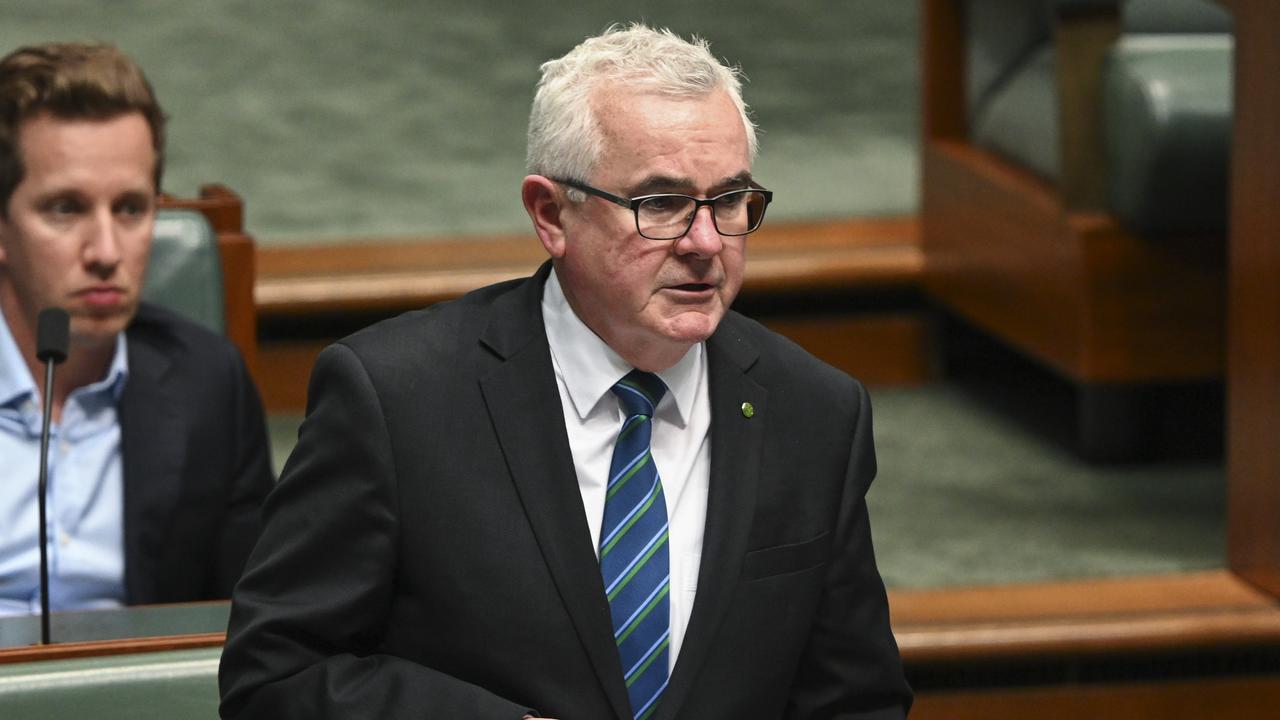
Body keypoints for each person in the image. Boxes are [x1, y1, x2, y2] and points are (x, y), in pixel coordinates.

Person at [220, 23, 910, 720]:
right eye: (661, 205)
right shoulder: (398, 399)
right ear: (551, 214)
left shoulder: (816, 412)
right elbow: (275, 676)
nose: (706, 243)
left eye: (729, 201)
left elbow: (855, 700)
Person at [0, 42, 274, 615]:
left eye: (129, 209)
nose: (105, 252)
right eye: (65, 209)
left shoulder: (208, 383)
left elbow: (259, 626)